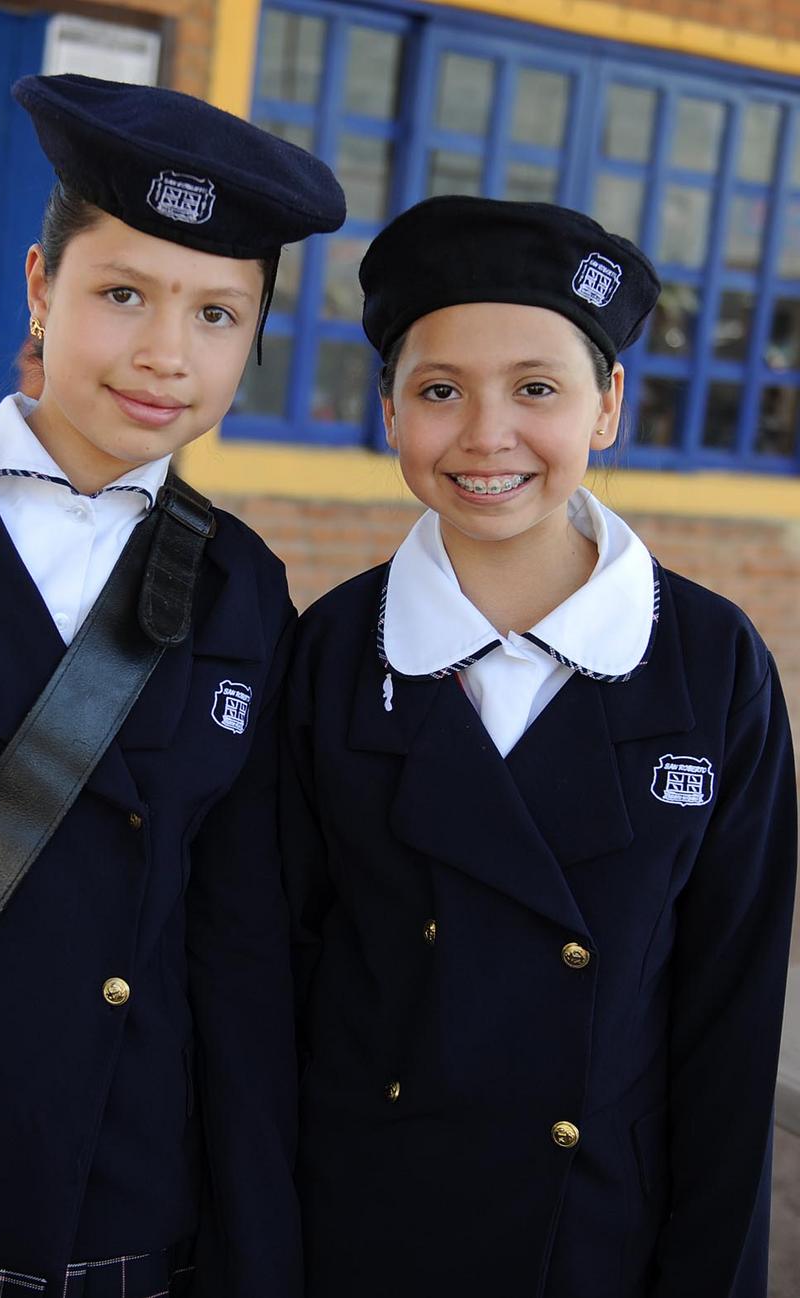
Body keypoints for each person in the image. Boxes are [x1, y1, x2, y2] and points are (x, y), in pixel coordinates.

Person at [0, 73, 344, 1297]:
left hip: (118, 1205)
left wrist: (254, 1247)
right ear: (41, 285)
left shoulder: (243, 589)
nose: (164, 354)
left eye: (216, 314)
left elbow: (238, 952)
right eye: (122, 293)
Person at [281, 196, 797, 1297]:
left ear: (607, 405)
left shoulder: (713, 663)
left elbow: (732, 1020)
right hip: (361, 1230)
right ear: (388, 411)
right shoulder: (328, 652)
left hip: (601, 1238)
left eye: (536, 388)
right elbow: (266, 984)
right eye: (439, 391)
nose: (485, 435)